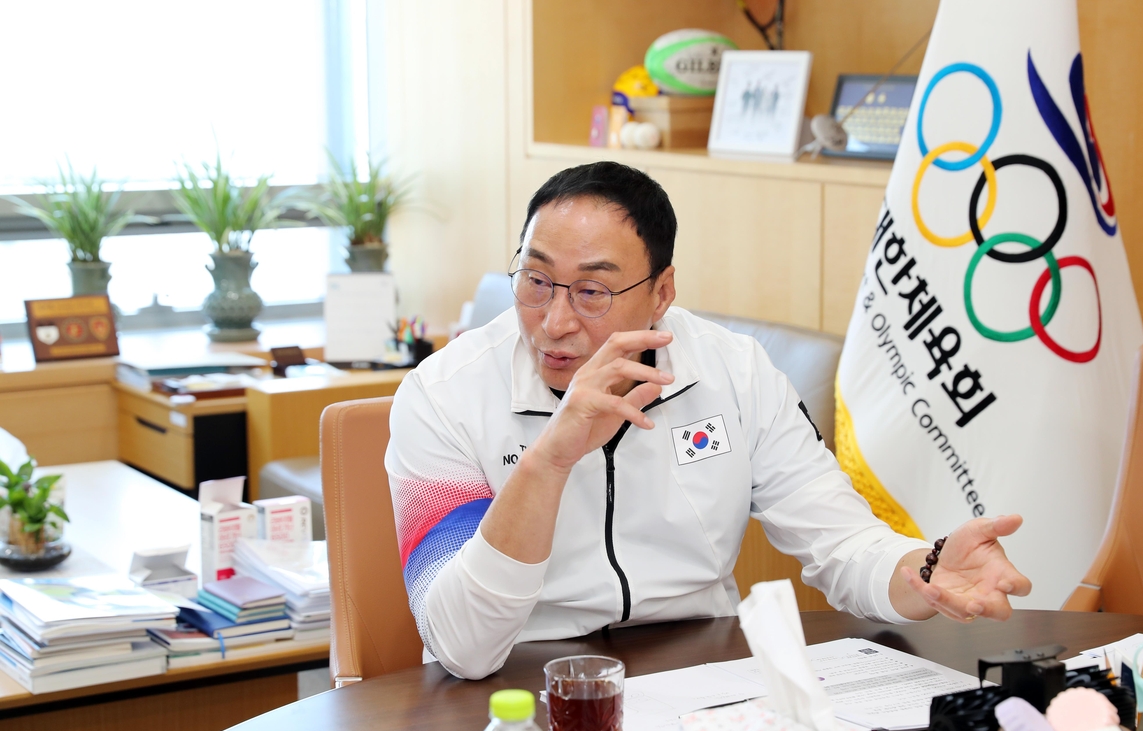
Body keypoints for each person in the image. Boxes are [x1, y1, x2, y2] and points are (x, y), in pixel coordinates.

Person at [385, 161, 1031, 680]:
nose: (554, 322)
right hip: (515, 693)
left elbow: (842, 543)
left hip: (701, 680)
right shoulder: (444, 395)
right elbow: (462, 647)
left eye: (592, 291)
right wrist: (549, 460)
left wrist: (926, 572)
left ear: (661, 292)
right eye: (535, 280)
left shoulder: (735, 373)